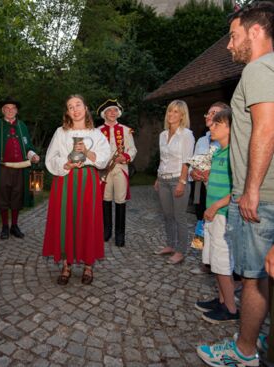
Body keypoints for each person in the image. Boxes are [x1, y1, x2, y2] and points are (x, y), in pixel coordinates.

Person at [197, 2, 274, 366]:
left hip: (262, 198)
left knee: (256, 278)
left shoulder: (259, 69)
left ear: (255, 32)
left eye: (233, 35)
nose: (229, 45)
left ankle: (244, 351)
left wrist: (251, 189)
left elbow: (266, 127)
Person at [43, 94, 110, 285]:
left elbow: (104, 158)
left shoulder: (96, 134)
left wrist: (87, 152)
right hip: (65, 181)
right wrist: (65, 165)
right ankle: (66, 265)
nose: (75, 109)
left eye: (78, 105)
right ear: (68, 112)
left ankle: (88, 266)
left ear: (85, 107)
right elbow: (50, 158)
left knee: (87, 220)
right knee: (66, 220)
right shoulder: (60, 132)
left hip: (88, 180)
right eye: (70, 107)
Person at [194, 108, 239, 324]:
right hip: (212, 214)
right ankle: (222, 299)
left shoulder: (234, 154)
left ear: (230, 127)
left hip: (222, 215)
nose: (210, 126)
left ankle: (230, 308)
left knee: (222, 262)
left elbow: (238, 190)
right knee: (213, 259)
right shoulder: (219, 152)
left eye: (216, 124)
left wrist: (215, 207)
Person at [0, 97, 39, 239]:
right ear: (2, 110)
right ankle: (5, 227)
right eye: (6, 108)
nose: (10, 111)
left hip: (20, 167)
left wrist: (33, 155)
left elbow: (27, 146)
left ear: (16, 111)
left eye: (12, 108)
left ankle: (14, 225)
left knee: (17, 196)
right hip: (2, 168)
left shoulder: (22, 126)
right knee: (2, 197)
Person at [189, 101, 228, 275]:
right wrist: (193, 173)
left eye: (215, 113)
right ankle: (205, 262)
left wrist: (210, 172)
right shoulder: (201, 140)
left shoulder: (225, 140)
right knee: (201, 220)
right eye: (208, 113)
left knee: (218, 228)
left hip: (218, 190)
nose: (209, 116)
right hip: (201, 187)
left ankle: (220, 265)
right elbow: (192, 162)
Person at [154, 100, 195, 265]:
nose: (172, 114)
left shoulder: (186, 134)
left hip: (178, 179)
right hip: (163, 179)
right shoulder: (162, 135)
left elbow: (187, 161)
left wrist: (182, 182)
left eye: (176, 112)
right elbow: (163, 159)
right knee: (168, 216)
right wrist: (157, 177)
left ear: (182, 115)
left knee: (179, 217)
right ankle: (170, 245)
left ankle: (181, 251)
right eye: (170, 111)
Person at [97, 99, 137, 247]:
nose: (112, 113)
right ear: (104, 114)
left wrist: (125, 157)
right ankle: (106, 232)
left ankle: (120, 235)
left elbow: (132, 149)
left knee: (120, 201)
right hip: (104, 171)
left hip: (120, 169)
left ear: (118, 113)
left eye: (115, 110)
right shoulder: (98, 131)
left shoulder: (126, 130)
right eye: (109, 111)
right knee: (105, 199)